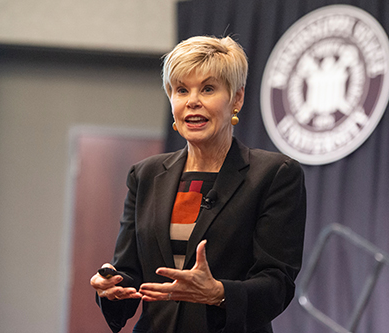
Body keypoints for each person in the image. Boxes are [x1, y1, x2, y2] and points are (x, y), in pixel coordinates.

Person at [90, 35, 306, 333]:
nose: (192, 101)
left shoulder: (274, 175)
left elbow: (277, 285)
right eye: (181, 90)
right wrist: (111, 286)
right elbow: (130, 274)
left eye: (207, 89)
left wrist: (218, 293)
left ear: (237, 98)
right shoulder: (145, 176)